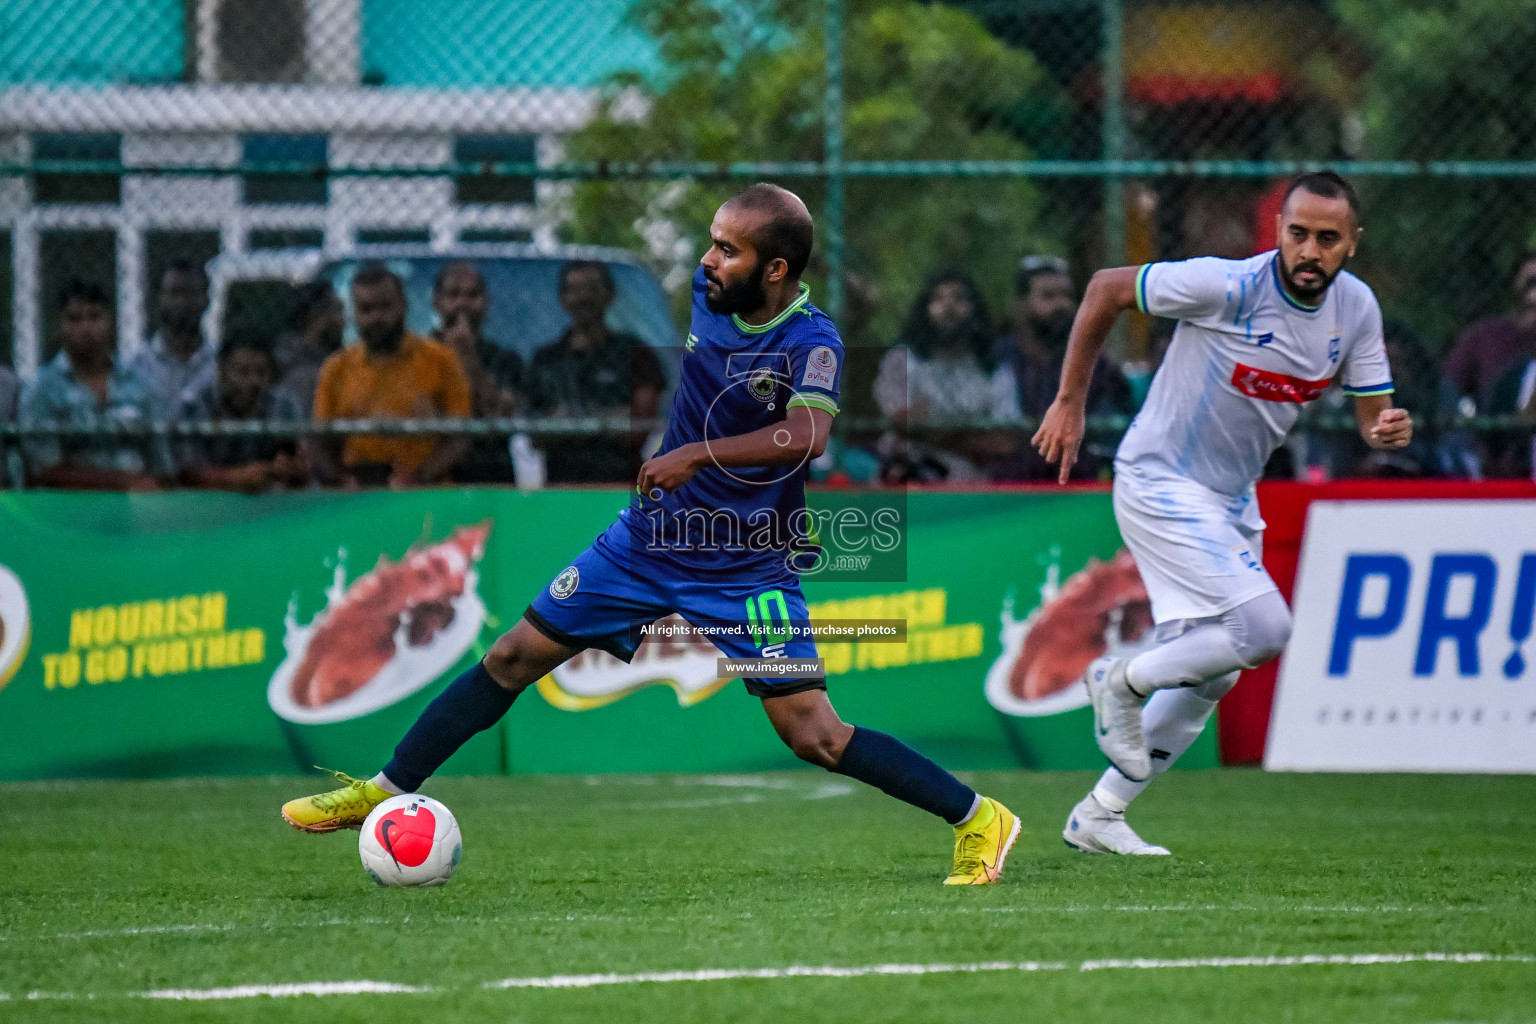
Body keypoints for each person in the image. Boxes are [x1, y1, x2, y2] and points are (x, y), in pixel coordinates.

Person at [280, 184, 1020, 886]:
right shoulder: (712, 293)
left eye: (726, 250)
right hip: (644, 543)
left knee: (815, 736)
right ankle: (382, 792)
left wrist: (697, 454)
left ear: (777, 269)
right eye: (710, 243)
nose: (706, 261)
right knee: (510, 656)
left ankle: (978, 817)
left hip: (744, 571)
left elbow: (810, 433)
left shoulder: (812, 340)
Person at [1033, 171, 1412, 855]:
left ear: (1352, 244)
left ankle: (1101, 815)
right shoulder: (1228, 285)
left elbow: (1370, 414)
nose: (1309, 250)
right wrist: (1069, 401)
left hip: (1231, 499)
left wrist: (1384, 429)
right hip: (1159, 478)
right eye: (1298, 234)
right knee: (1264, 626)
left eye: (1327, 239)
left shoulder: (1356, 309)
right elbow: (1106, 290)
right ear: (1278, 232)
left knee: (1217, 670)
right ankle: (1117, 678)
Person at [308, 264, 472, 488]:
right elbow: (318, 442)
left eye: (385, 307)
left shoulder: (441, 360)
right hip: (358, 488)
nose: (377, 318)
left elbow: (460, 438)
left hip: (423, 489)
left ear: (403, 306)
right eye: (367, 309)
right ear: (355, 314)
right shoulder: (336, 368)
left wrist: (420, 477)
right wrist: (341, 481)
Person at [990, 255, 1133, 480]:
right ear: (1021, 303)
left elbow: (1114, 423)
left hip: (1077, 479)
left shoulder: (1095, 363)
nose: (1062, 305)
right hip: (1007, 483)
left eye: (1067, 296)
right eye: (1048, 296)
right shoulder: (998, 358)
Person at [524, 260, 667, 483]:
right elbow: (534, 434)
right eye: (574, 290)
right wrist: (609, 419)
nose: (583, 298)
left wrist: (566, 422)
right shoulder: (546, 360)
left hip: (620, 485)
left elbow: (639, 428)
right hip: (561, 485)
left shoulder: (635, 353)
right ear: (563, 299)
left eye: (591, 289)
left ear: (609, 295)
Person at [19, 279, 163, 490]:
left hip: (137, 506)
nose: (86, 328)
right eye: (74, 319)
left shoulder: (138, 383)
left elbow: (159, 459)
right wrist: (122, 482)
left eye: (95, 316)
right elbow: (43, 470)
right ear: (59, 326)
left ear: (110, 321)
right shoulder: (42, 389)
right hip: (68, 510)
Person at [872, 271, 1010, 482]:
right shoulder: (904, 359)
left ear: (975, 308)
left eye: (959, 298)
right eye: (938, 299)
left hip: (969, 485)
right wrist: (969, 435)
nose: (949, 307)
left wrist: (930, 430)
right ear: (924, 308)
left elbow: (1004, 442)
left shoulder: (992, 369)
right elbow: (902, 421)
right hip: (906, 476)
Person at [175, 323, 308, 493]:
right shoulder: (194, 406)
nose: (253, 381)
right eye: (243, 372)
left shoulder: (284, 407)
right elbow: (185, 473)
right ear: (222, 372)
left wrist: (292, 469)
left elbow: (303, 471)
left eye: (261, 372)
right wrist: (236, 477)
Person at [430, 262, 524, 484]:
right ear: (436, 302)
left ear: (486, 303)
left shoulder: (506, 360)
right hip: (432, 480)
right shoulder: (418, 355)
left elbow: (496, 415)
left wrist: (467, 356)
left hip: (490, 477)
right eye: (453, 295)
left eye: (472, 295)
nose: (462, 303)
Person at [1443, 250, 1536, 411]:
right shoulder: (1485, 334)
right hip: (1490, 426)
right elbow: (1451, 382)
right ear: (1515, 284)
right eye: (1531, 282)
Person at [126, 261, 216, 414]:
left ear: (206, 300)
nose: (182, 302)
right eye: (174, 293)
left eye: (190, 293)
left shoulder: (218, 364)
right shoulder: (136, 365)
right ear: (159, 299)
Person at [274, 280, 345, 413]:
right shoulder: (288, 365)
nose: (343, 321)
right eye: (337, 311)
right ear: (318, 315)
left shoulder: (335, 363)